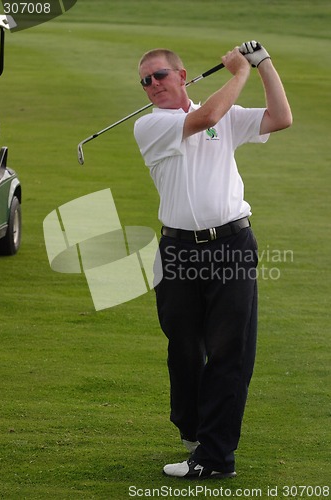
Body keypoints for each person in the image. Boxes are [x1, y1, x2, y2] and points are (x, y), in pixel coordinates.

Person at [134, 41, 292, 479]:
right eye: (145, 81)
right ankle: (194, 428)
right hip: (179, 251)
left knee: (230, 351)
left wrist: (262, 65)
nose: (152, 85)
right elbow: (204, 119)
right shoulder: (152, 126)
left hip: (231, 246)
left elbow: (280, 118)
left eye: (160, 75)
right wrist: (237, 73)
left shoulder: (223, 114)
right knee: (183, 347)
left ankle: (215, 456)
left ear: (183, 76)